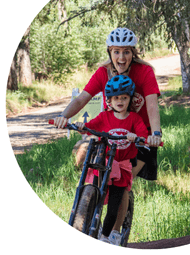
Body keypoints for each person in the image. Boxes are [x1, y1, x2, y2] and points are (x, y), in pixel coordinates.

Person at [53, 27, 162, 238]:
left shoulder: (144, 72)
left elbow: (152, 106)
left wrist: (155, 134)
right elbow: (81, 99)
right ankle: (86, 214)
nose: (121, 57)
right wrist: (63, 117)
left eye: (127, 51)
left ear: (133, 52)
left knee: (122, 182)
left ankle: (113, 235)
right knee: (97, 173)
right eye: (116, 51)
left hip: (139, 137)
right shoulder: (103, 72)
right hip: (110, 135)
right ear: (109, 52)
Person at [75, 75, 148, 245]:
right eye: (116, 98)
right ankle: (87, 224)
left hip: (121, 168)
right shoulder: (104, 117)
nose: (120, 101)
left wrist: (136, 137)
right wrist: (81, 127)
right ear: (110, 100)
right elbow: (89, 128)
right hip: (103, 165)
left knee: (114, 207)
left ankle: (106, 237)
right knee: (93, 196)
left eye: (124, 97)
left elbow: (143, 135)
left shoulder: (134, 119)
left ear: (130, 98)